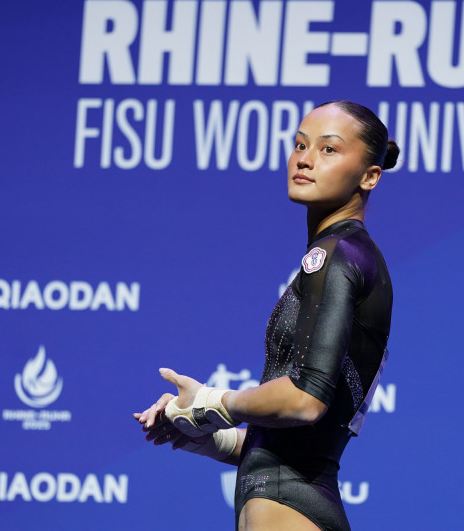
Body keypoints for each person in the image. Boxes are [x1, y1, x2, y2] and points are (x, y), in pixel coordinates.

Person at [134, 100, 399, 531]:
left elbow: (305, 400)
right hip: (292, 498)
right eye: (299, 145)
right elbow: (300, 442)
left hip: (291, 506)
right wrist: (211, 437)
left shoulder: (336, 255)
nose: (305, 159)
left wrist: (211, 402)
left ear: (370, 176)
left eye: (329, 149)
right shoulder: (342, 255)